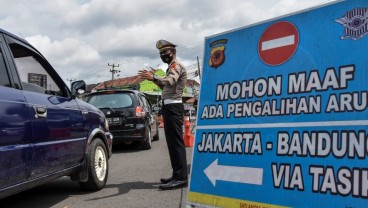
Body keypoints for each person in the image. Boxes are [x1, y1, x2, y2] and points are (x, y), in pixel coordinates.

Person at [138, 40, 188, 190]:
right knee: (172, 143)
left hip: (174, 106)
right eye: (160, 54)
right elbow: (164, 84)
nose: (163, 56)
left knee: (176, 143)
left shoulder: (176, 65)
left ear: (173, 52)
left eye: (165, 53)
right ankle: (176, 175)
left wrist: (153, 77)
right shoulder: (170, 67)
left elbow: (171, 81)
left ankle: (181, 178)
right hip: (169, 106)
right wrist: (153, 78)